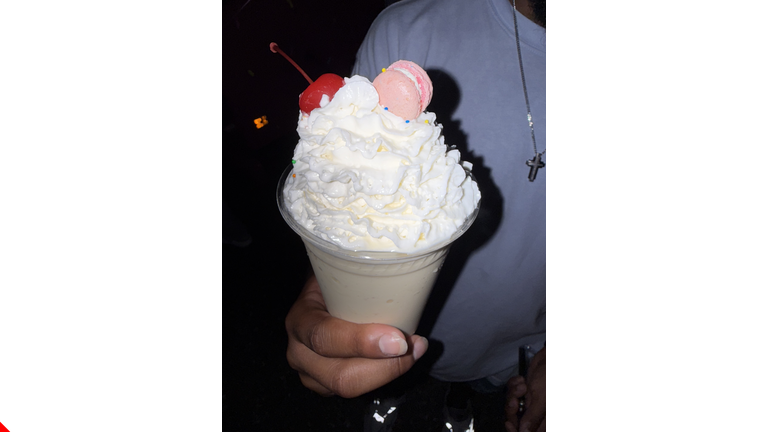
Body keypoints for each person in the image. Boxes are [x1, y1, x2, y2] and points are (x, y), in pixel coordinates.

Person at [284, 0, 546, 430]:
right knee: (392, 370)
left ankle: (458, 403)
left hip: (521, 346)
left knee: (474, 386)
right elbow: (350, 188)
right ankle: (388, 397)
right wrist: (323, 293)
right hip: (389, 319)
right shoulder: (409, 29)